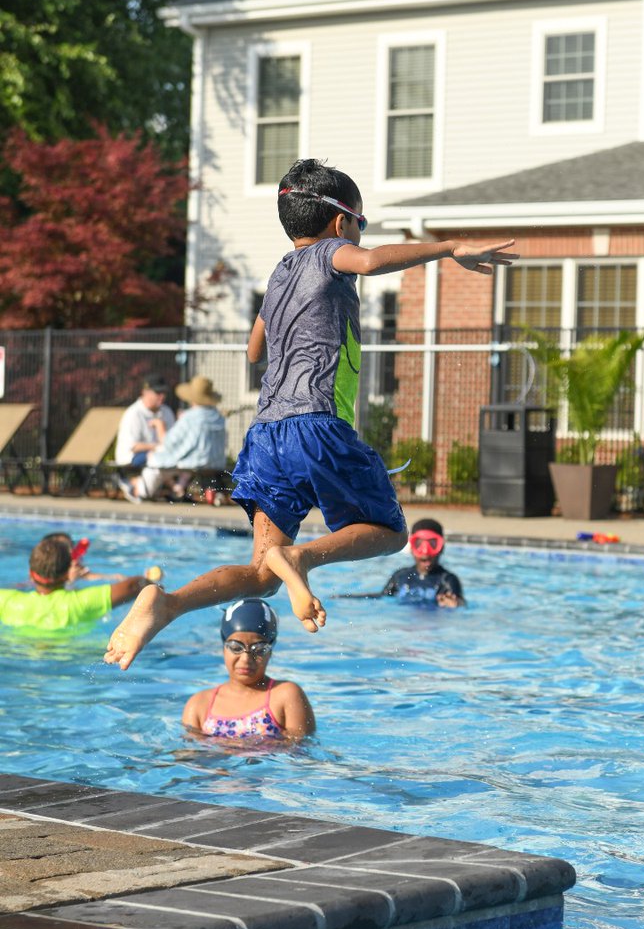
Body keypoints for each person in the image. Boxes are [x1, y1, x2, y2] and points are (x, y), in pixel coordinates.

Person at [104, 157, 515, 669]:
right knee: (391, 533)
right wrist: (450, 247)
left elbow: (255, 351)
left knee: (262, 577)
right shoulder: (332, 254)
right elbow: (368, 263)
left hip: (266, 435)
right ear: (342, 222)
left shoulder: (280, 273)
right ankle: (304, 557)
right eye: (360, 224)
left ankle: (167, 604)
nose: (359, 237)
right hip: (316, 424)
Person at [181, 598, 315, 741]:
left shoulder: (286, 695)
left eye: (258, 650)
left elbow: (301, 752)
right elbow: (190, 757)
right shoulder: (199, 705)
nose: (246, 659)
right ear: (223, 648)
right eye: (235, 648)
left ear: (270, 651)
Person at [0, 535, 159, 633]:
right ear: (66, 572)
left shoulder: (6, 601)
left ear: (31, 573)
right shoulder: (78, 603)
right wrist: (153, 585)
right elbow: (134, 585)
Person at [122, 376, 227, 503]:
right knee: (173, 461)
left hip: (194, 461)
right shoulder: (218, 417)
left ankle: (140, 490)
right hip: (216, 462)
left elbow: (168, 442)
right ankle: (178, 488)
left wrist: (160, 426)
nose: (162, 396)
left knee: (155, 460)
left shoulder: (189, 417)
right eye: (158, 393)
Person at [339, 518, 465, 606]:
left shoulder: (448, 580)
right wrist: (345, 598)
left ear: (441, 547)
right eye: (419, 544)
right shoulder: (400, 576)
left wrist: (456, 605)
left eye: (433, 544)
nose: (425, 551)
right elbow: (382, 597)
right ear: (411, 547)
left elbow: (459, 603)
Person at [115, 373, 175, 503]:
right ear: (145, 392)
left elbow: (173, 442)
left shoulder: (166, 412)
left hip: (158, 456)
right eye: (157, 392)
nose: (162, 396)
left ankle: (174, 488)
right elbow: (134, 446)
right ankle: (136, 487)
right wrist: (158, 447)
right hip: (132, 458)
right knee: (159, 455)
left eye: (163, 392)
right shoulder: (133, 414)